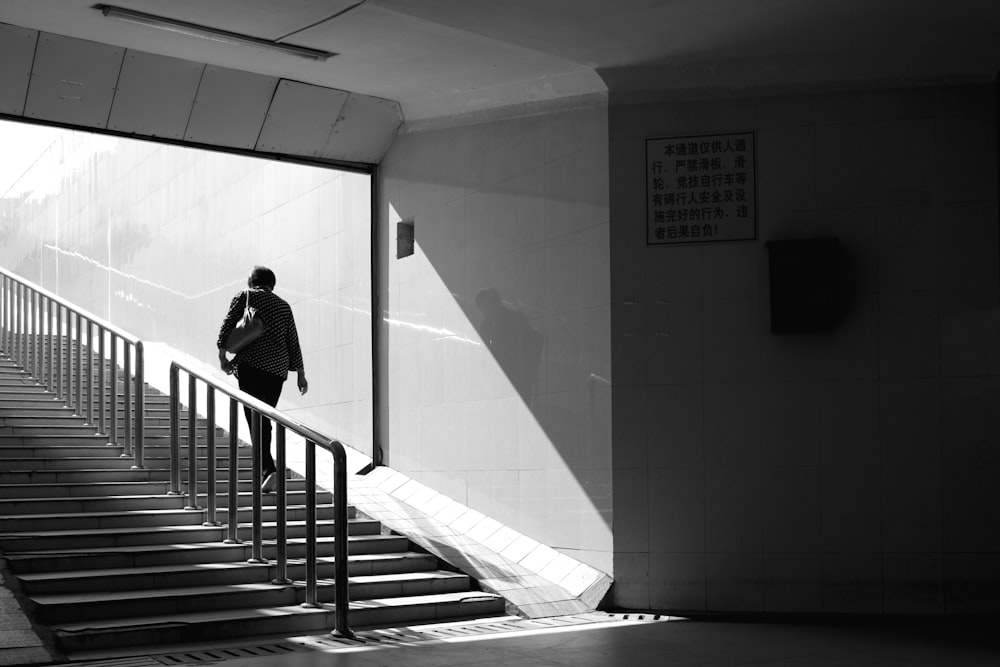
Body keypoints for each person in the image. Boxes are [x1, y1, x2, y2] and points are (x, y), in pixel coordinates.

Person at [217, 266, 308, 493]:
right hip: (277, 370)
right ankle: (267, 469)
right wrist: (301, 374)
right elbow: (292, 340)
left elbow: (228, 325)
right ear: (272, 283)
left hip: (252, 366)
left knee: (255, 417)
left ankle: (268, 469)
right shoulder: (284, 306)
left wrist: (223, 357)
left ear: (252, 281)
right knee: (264, 416)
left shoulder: (244, 296)